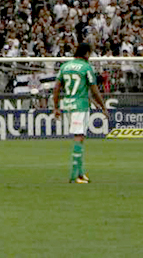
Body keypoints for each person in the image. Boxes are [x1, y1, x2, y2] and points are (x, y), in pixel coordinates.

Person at [52, 41, 107, 184]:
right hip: (80, 106)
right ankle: (74, 175)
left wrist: (56, 106)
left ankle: (80, 173)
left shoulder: (65, 66)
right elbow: (94, 89)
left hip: (69, 104)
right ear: (87, 53)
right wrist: (103, 107)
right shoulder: (86, 67)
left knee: (80, 136)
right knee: (79, 137)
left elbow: (57, 88)